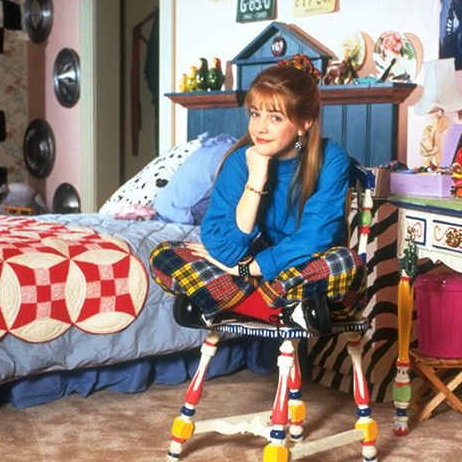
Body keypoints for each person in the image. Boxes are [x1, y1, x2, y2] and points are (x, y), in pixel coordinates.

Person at [149, 54, 366, 332]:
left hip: (299, 272)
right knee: (164, 254)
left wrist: (248, 268)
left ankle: (227, 305)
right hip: (257, 278)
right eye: (255, 113)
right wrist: (256, 177)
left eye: (275, 117)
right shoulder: (239, 161)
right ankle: (282, 313)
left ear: (304, 123)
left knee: (345, 263)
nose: (260, 127)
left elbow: (316, 238)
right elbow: (222, 246)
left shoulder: (330, 157)